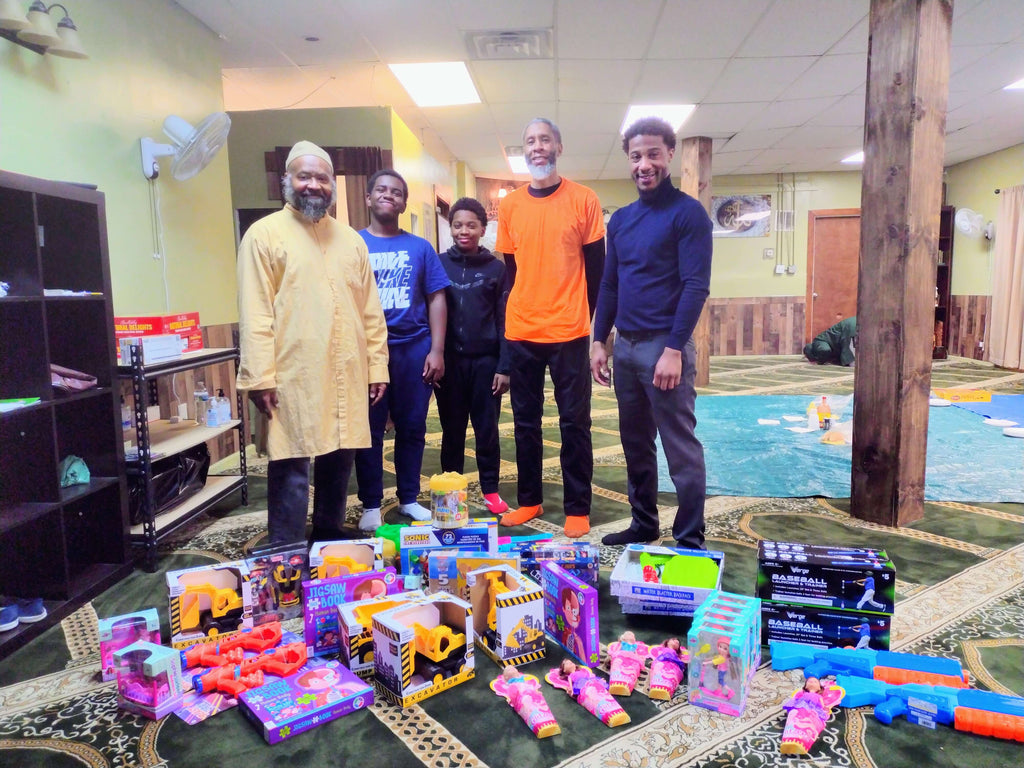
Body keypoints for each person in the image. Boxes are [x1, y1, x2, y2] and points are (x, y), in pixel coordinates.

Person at [236, 140, 389, 545]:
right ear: (287, 180)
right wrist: (259, 377)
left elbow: (370, 311)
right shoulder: (263, 235)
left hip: (347, 368)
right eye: (304, 176)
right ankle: (285, 548)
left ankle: (327, 536)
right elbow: (255, 312)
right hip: (292, 372)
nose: (314, 185)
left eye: (322, 177)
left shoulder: (351, 240)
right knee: (292, 461)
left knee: (340, 457)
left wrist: (377, 367)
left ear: (332, 185)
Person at [591, 117, 712, 549]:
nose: (645, 164)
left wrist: (675, 349)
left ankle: (690, 538)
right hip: (625, 348)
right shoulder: (621, 220)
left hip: (666, 345)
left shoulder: (688, 213)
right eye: (636, 156)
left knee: (679, 448)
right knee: (635, 444)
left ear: (669, 155)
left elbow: (696, 284)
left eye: (653, 154)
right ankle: (644, 523)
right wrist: (598, 341)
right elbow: (610, 284)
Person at [496, 118, 606, 539]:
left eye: (544, 139)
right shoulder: (510, 206)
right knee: (525, 423)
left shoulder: (584, 199)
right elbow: (511, 273)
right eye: (530, 141)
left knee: (574, 422)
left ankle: (578, 508)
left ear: (558, 145)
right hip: (523, 331)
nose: (537, 147)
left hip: (570, 332)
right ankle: (529, 500)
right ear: (523, 150)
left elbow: (597, 271)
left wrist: (588, 322)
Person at [354, 170, 451, 532]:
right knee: (370, 431)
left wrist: (437, 350)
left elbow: (436, 297)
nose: (388, 195)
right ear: (368, 198)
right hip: (368, 353)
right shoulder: (353, 245)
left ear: (404, 203)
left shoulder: (420, 247)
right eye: (380, 189)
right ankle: (370, 503)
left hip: (414, 348)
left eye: (396, 192)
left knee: (412, 427)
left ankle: (409, 498)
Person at [435, 197, 510, 515]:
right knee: (451, 431)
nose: (463, 230)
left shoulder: (497, 268)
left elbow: (506, 319)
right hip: (449, 364)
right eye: (457, 224)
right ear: (450, 227)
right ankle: (451, 492)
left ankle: (491, 490)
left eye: (471, 225)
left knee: (486, 430)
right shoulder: (438, 263)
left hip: (486, 364)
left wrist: (505, 365)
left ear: (482, 228)